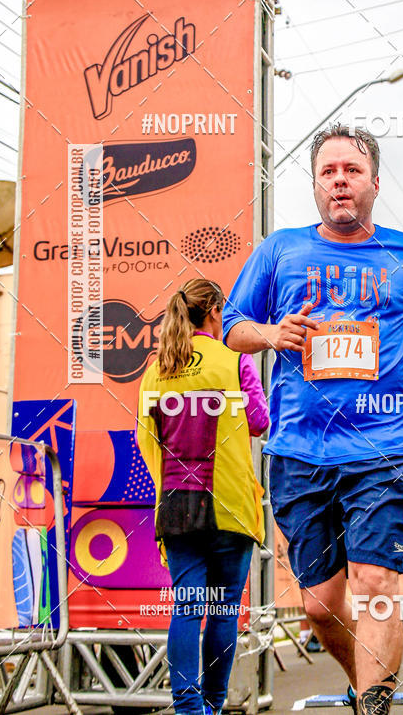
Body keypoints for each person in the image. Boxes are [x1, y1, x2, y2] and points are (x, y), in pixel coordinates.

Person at [222, 124, 403, 715]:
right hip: (300, 453)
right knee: (319, 605)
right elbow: (233, 326)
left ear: (374, 184)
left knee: (376, 586)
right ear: (314, 186)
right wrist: (273, 333)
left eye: (351, 171)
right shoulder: (279, 250)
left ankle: (373, 707)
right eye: (328, 172)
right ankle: (366, 684)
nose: (339, 181)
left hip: (385, 447)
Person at [136, 279, 269, 715]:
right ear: (213, 310)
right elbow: (259, 422)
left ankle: (188, 709)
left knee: (188, 607)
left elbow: (145, 438)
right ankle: (212, 705)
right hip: (230, 503)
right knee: (225, 609)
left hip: (177, 504)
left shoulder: (156, 369)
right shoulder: (235, 362)